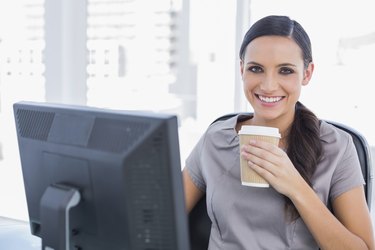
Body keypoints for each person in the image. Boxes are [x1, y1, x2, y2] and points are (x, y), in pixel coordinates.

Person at [183, 15, 375, 249]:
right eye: (256, 69)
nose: (268, 85)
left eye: (285, 71)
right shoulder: (215, 139)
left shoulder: (337, 147)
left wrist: (295, 186)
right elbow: (159, 218)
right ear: (242, 69)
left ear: (307, 73)